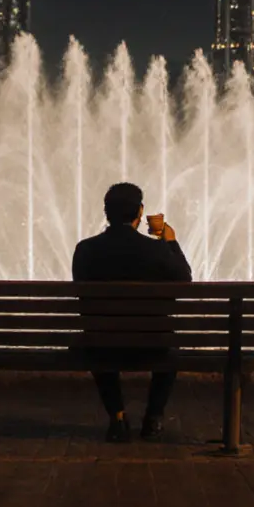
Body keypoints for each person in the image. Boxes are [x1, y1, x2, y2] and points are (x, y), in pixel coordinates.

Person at [72, 182, 193, 443]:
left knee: (98, 338)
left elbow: (81, 294)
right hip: (153, 345)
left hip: (101, 344)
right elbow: (185, 281)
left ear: (106, 212)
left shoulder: (85, 250)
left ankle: (117, 416)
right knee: (170, 344)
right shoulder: (157, 249)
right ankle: (153, 417)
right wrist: (170, 241)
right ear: (140, 212)